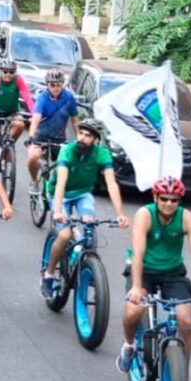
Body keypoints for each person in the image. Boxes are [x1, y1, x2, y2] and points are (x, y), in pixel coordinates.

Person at [118, 176, 191, 377]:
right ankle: (129, 345)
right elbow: (138, 252)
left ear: (179, 201)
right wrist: (137, 287)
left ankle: (182, 375)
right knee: (133, 310)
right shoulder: (145, 215)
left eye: (174, 200)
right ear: (156, 197)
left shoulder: (187, 218)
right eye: (164, 199)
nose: (169, 204)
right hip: (144, 270)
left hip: (173, 272)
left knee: (186, 321)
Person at [41, 117, 129, 295]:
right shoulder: (68, 151)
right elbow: (61, 183)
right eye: (80, 133)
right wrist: (57, 211)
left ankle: (89, 266)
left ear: (96, 139)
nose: (82, 138)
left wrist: (120, 213)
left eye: (87, 135)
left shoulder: (101, 153)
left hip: (83, 193)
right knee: (65, 233)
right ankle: (49, 275)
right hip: (61, 194)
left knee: (89, 224)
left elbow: (111, 184)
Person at [27, 67, 80, 193]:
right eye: (52, 85)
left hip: (59, 137)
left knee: (65, 165)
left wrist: (79, 138)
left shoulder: (69, 98)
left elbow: (75, 120)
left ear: (63, 84)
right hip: (41, 136)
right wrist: (31, 136)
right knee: (33, 157)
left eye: (59, 84)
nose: (55, 88)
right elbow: (36, 118)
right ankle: (34, 181)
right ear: (47, 84)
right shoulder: (43, 97)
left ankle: (57, 190)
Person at [0, 56, 34, 161]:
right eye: (5, 72)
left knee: (20, 125)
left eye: (11, 72)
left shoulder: (18, 80)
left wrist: (34, 114)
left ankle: (8, 144)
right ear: (0, 71)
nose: (8, 74)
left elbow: (27, 97)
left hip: (12, 111)